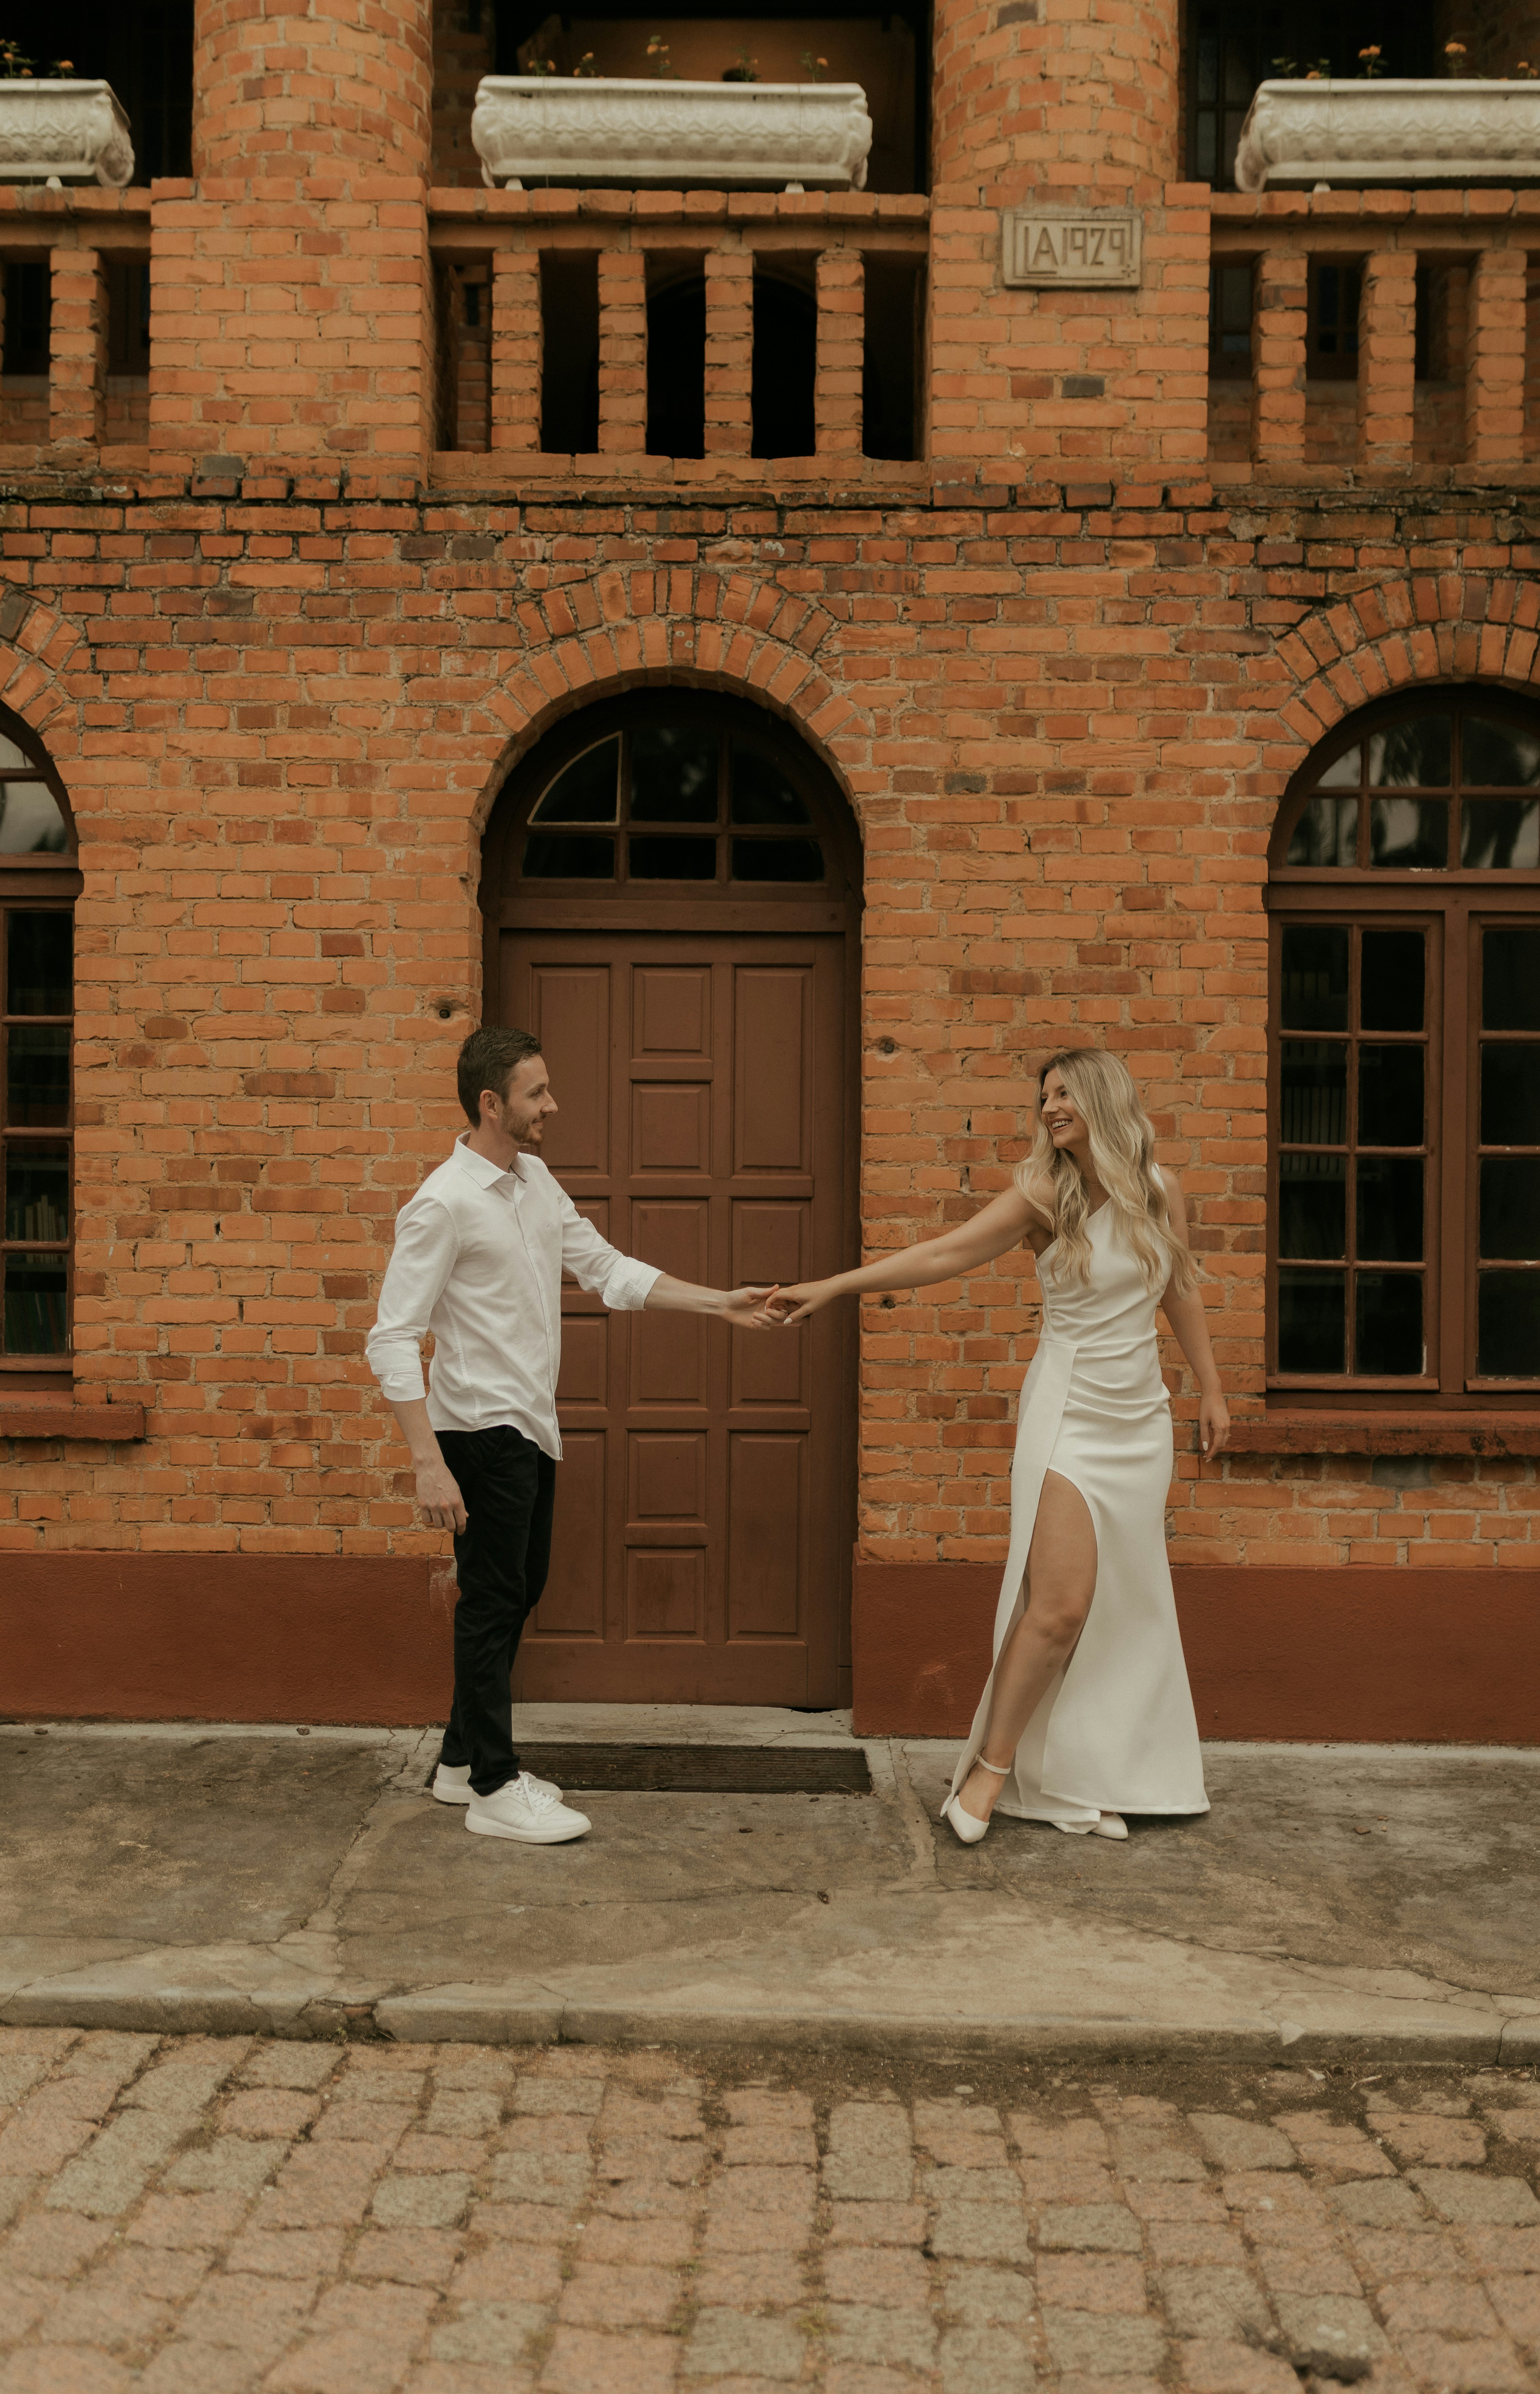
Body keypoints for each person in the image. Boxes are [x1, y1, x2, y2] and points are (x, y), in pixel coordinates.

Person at [760, 1048, 1228, 1845]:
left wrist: (1210, 1389)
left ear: (1102, 1097)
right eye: (1043, 1096)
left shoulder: (1159, 1190)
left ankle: (1082, 1777)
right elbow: (944, 1254)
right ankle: (990, 1769)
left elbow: (1178, 1290)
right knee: (1059, 1606)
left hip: (1140, 1422)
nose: (1049, 1107)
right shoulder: (1043, 1192)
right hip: (1069, 1415)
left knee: (1122, 1609)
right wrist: (835, 1286)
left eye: (1063, 1093)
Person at [367, 1026, 772, 1848]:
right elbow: (392, 1337)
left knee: (520, 1591)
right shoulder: (443, 1202)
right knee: (491, 1604)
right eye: (537, 1092)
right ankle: (493, 1786)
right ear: (492, 1103)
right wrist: (427, 1463)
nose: (552, 1104)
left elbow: (607, 1268)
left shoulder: (534, 1180)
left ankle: (459, 1762)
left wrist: (718, 1303)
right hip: (477, 1428)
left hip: (529, 1423)